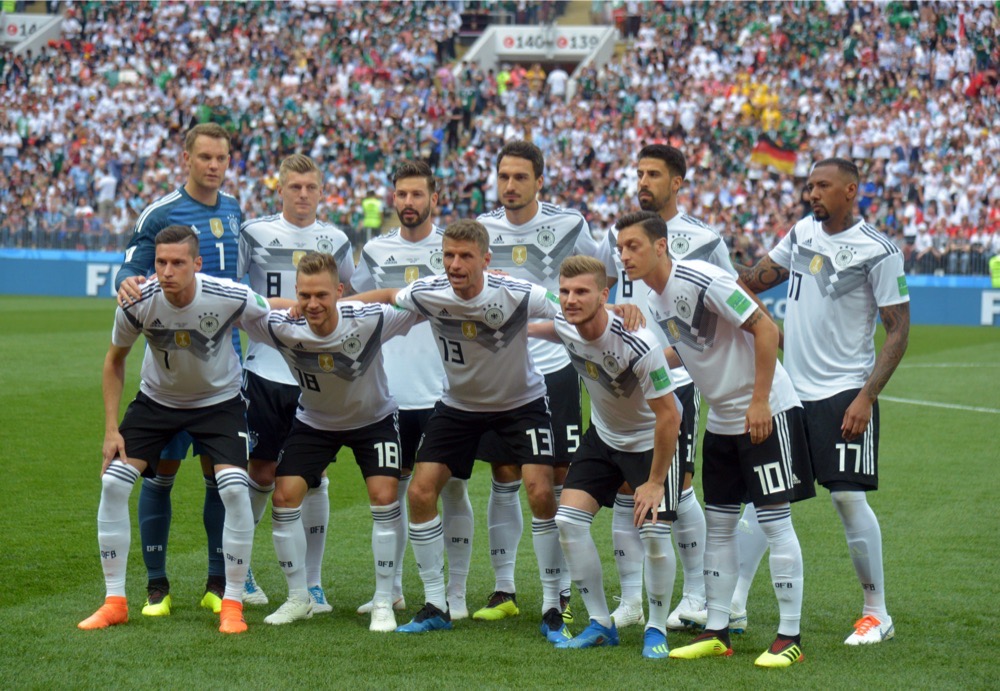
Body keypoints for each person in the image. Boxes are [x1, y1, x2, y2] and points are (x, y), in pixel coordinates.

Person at [615, 210, 813, 669]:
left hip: (765, 412)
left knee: (775, 521)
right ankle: (717, 629)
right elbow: (686, 348)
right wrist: (637, 361)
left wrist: (760, 400)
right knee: (720, 525)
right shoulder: (655, 296)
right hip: (723, 420)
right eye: (621, 248)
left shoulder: (701, 279)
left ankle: (790, 636)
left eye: (633, 247)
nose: (624, 256)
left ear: (661, 246)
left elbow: (766, 327)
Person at [353, 220, 563, 634]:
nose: (454, 263)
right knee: (420, 490)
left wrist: (616, 313)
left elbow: (570, 306)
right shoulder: (428, 292)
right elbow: (386, 297)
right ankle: (435, 604)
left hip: (521, 405)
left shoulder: (517, 292)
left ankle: (553, 605)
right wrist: (338, 308)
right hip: (459, 407)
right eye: (448, 255)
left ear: (486, 260)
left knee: (540, 491)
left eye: (465, 256)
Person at [732, 158, 910, 645]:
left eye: (823, 186)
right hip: (791, 391)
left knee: (847, 498)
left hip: (844, 392)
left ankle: (877, 612)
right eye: (809, 186)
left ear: (850, 190)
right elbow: (749, 280)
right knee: (764, 497)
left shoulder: (878, 250)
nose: (812, 194)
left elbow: (898, 330)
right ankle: (734, 604)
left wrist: (866, 397)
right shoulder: (800, 235)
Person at [79, 225, 265, 634]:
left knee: (234, 488)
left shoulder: (228, 295)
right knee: (112, 483)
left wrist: (312, 308)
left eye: (177, 262)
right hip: (156, 403)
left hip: (219, 405)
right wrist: (112, 429)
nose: (166, 271)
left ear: (197, 264)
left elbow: (273, 315)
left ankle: (232, 604)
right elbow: (114, 360)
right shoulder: (138, 301)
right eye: (161, 262)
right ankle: (114, 601)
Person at [474, 140, 616, 623]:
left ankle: (560, 596)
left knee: (556, 478)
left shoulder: (569, 224)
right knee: (503, 475)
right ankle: (504, 588)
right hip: (499, 370)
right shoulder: (483, 230)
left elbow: (599, 275)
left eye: (520, 177)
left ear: (539, 181)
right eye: (503, 177)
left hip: (555, 365)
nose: (510, 186)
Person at [242, 252, 418, 632]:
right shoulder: (284, 326)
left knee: (386, 497)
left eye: (322, 295)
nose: (312, 304)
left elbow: (415, 302)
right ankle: (298, 598)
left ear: (340, 291)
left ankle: (384, 601)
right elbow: (243, 305)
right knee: (284, 496)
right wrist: (285, 306)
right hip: (315, 422)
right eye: (304, 296)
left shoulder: (370, 321)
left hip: (374, 420)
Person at [606, 144, 740, 631]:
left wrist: (689, 355)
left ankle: (699, 594)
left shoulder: (704, 240)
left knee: (677, 486)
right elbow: (604, 291)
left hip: (678, 377)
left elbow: (726, 307)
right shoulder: (616, 234)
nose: (643, 181)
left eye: (654, 174)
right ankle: (630, 600)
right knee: (628, 484)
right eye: (639, 172)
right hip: (623, 377)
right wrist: (615, 312)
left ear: (678, 182)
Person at [114, 123, 243, 617]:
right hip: (170, 370)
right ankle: (156, 586)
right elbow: (130, 266)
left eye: (222, 158)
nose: (213, 165)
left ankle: (216, 583)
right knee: (160, 474)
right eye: (205, 157)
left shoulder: (232, 210)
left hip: (222, 370)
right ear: (186, 157)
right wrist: (127, 282)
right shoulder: (161, 213)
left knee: (220, 477)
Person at [531, 256, 683, 658]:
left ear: (604, 295)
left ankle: (655, 627)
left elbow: (669, 416)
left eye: (581, 292)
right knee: (568, 522)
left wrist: (652, 482)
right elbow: (528, 322)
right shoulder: (565, 325)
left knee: (653, 535)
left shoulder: (638, 343)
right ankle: (600, 623)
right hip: (602, 437)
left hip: (649, 440)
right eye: (564, 291)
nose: (570, 299)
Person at [351, 160, 475, 619]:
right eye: (401, 194)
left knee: (453, 489)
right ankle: (395, 588)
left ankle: (456, 593)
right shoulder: (376, 251)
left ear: (434, 198)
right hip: (390, 394)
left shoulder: (454, 249)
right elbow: (359, 308)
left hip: (445, 393)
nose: (408, 203)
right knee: (392, 493)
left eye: (417, 195)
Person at [237, 154, 355, 612]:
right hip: (265, 370)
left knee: (316, 475)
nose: (302, 194)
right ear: (280, 189)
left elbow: (350, 296)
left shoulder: (337, 240)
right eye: (294, 187)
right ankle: (242, 570)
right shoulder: (255, 233)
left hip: (316, 374)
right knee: (261, 472)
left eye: (310, 187)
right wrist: (287, 304)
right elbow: (236, 292)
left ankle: (313, 582)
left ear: (321, 191)